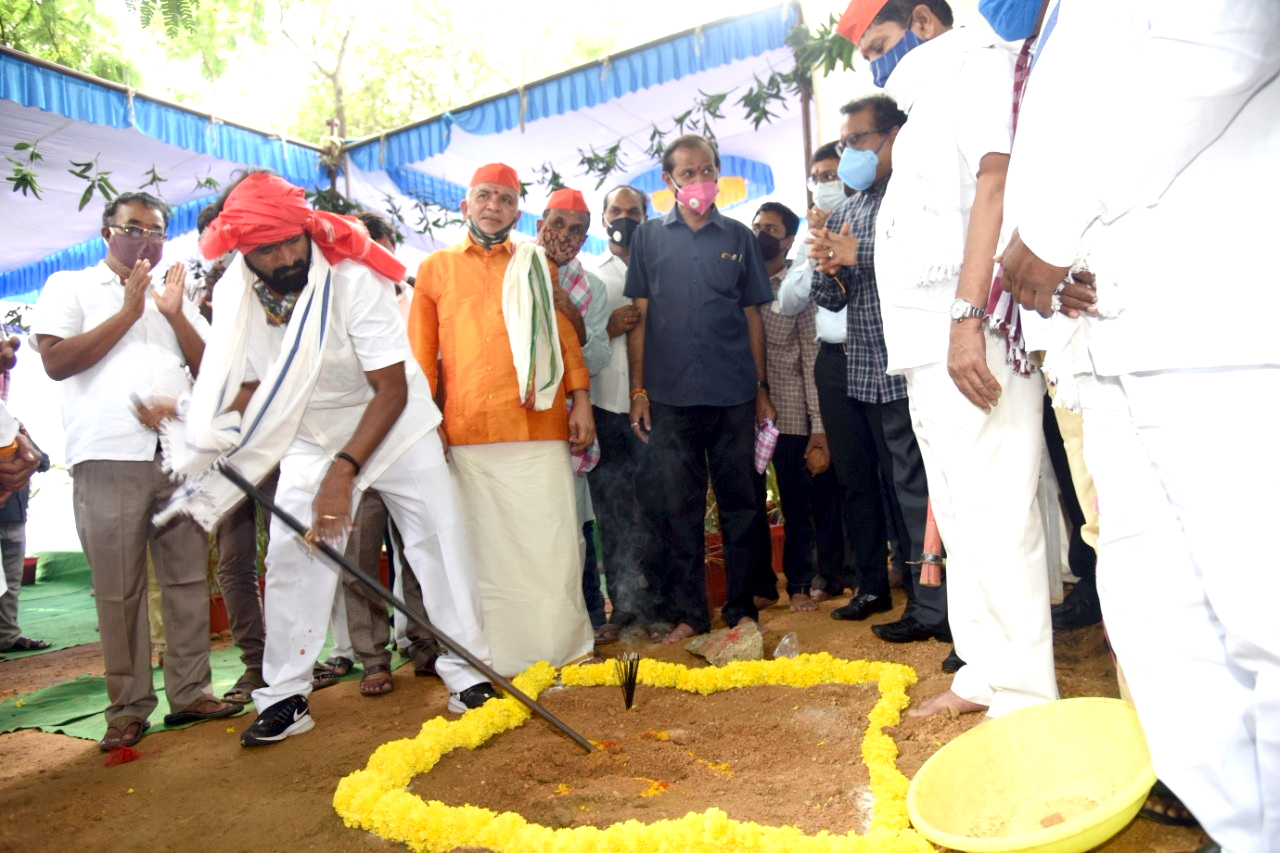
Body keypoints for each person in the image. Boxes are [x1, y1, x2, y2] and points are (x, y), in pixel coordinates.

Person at [1000, 1, 1280, 847]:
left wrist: (1048, 235)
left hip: (1216, 318)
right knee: (1166, 630)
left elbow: (1223, 41)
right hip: (1114, 335)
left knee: (1263, 614)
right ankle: (1244, 829)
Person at [152, 173, 497, 746]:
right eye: (268, 249)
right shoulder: (238, 293)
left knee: (440, 542)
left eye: (292, 240)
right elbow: (250, 384)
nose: (287, 255)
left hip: (395, 426)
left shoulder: (353, 275)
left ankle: (467, 677)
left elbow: (391, 389)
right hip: (312, 436)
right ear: (242, 251)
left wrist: (344, 473)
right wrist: (197, 418)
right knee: (293, 557)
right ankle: (286, 696)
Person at [842, 0, 1055, 719]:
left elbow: (994, 184)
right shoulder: (922, 103)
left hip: (970, 330)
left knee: (997, 511)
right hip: (924, 348)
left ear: (923, 24)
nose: (874, 61)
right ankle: (983, 673)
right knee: (961, 517)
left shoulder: (977, 66)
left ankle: (1026, 695)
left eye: (880, 42)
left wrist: (967, 316)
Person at [32, 192, 236, 750]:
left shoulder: (177, 292)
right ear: (107, 232)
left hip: (177, 453)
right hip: (108, 455)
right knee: (117, 588)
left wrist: (172, 313)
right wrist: (128, 309)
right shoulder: (69, 286)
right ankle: (128, 706)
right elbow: (55, 362)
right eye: (133, 228)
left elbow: (210, 368)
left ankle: (192, 692)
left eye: (156, 230)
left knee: (188, 578)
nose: (145, 238)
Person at [410, 163, 595, 676]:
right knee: (481, 552)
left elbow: (564, 338)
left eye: (506, 199)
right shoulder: (436, 269)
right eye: (484, 196)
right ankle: (495, 656)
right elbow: (422, 356)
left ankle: (562, 648)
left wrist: (580, 399)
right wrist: (427, 424)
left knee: (552, 541)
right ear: (465, 204)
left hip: (538, 425)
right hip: (468, 430)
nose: (494, 206)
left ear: (518, 210)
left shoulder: (537, 262)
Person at [805, 96, 952, 660]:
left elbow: (928, 262)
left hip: (916, 364)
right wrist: (828, 260)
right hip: (866, 369)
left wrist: (858, 254)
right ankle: (919, 599)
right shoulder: (847, 208)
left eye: (860, 141)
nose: (851, 155)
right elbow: (828, 299)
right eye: (844, 144)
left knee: (922, 490)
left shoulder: (912, 195)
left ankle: (937, 605)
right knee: (893, 491)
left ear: (894, 136)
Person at [625, 134, 776, 644]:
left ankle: (740, 609)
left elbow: (752, 314)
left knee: (741, 503)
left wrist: (760, 387)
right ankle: (692, 613)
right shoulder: (647, 238)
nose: (699, 181)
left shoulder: (739, 236)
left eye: (707, 170)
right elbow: (640, 318)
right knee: (681, 509)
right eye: (687, 173)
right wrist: (638, 391)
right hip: (669, 396)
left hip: (733, 391)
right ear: (669, 182)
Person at [750, 201, 842, 612]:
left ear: (788, 239)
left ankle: (804, 583)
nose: (761, 233)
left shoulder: (796, 287)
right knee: (752, 503)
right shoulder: (742, 282)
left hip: (791, 414)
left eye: (770, 227)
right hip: (747, 412)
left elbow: (810, 358)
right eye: (756, 225)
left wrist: (819, 427)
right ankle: (762, 583)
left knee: (800, 502)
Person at [535, 188, 611, 633]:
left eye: (577, 229)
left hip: (568, 414)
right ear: (541, 221)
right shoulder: (511, 267)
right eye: (558, 223)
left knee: (575, 520)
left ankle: (588, 618)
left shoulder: (591, 287)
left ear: (586, 238)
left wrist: (570, 313)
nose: (565, 235)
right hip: (517, 418)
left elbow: (598, 358)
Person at [587, 185, 650, 641]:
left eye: (633, 212)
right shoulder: (589, 274)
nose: (623, 218)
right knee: (614, 511)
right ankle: (624, 608)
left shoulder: (660, 267)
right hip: (606, 405)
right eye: (616, 211)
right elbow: (573, 342)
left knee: (661, 506)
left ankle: (665, 601)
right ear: (602, 216)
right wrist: (609, 329)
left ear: (645, 218)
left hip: (658, 406)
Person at [0, 332, 51, 654]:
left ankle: (7, 635)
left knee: (11, 580)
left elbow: (42, 460)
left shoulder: (13, 425)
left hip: (13, 515)